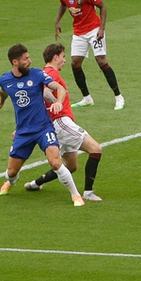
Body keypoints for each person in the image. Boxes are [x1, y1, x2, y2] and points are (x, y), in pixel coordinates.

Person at [0, 43, 85, 207]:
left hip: (44, 128)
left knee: (55, 162)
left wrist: (58, 101)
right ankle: (11, 182)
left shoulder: (37, 75)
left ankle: (76, 195)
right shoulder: (5, 80)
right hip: (23, 132)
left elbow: (59, 88)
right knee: (12, 172)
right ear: (15, 62)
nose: (30, 61)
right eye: (25, 59)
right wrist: (1, 101)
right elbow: (3, 90)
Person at [24, 43, 104, 201]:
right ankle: (88, 193)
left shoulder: (44, 72)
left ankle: (34, 184)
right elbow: (45, 90)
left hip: (57, 123)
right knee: (96, 149)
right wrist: (56, 102)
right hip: (60, 121)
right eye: (63, 57)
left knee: (71, 165)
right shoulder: (50, 72)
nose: (65, 61)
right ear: (55, 57)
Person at [54, 0, 125, 111]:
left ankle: (118, 96)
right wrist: (57, 21)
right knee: (75, 64)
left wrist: (102, 28)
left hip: (94, 30)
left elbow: (102, 6)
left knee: (101, 60)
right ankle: (87, 98)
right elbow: (63, 4)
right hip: (79, 32)